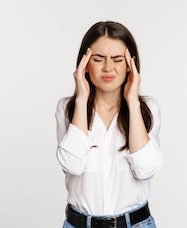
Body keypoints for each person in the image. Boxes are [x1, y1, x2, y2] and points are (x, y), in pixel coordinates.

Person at [55, 21, 163, 228]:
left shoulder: (148, 108)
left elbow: (146, 169)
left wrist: (132, 102)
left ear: (130, 64)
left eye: (117, 59)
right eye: (98, 59)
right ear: (84, 64)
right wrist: (81, 99)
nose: (107, 68)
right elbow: (72, 165)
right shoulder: (67, 108)